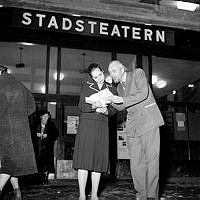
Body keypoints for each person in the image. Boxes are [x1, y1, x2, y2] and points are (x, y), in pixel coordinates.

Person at [107, 60, 164, 200]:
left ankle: (151, 195)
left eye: (113, 71)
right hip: (133, 127)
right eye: (110, 72)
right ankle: (141, 194)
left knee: (151, 160)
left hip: (149, 121)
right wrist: (107, 101)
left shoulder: (137, 73)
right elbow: (121, 106)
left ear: (122, 69)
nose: (111, 74)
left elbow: (143, 93)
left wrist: (120, 99)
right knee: (136, 163)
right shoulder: (120, 87)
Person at [73, 63, 116, 200]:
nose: (99, 78)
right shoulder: (86, 85)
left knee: (98, 161)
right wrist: (95, 106)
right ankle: (81, 195)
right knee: (84, 161)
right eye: (95, 77)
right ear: (91, 77)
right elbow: (82, 105)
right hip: (87, 124)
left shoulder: (111, 88)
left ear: (103, 71)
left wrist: (107, 111)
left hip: (102, 125)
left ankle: (95, 195)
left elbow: (115, 108)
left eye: (100, 75)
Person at [0, 65, 37, 200]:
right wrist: (20, 116)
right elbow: (32, 106)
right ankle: (17, 192)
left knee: (8, 163)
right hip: (21, 130)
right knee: (13, 162)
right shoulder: (19, 84)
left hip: (4, 130)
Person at [32, 110, 59, 184]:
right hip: (38, 148)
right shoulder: (35, 124)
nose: (47, 118)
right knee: (38, 162)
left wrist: (48, 135)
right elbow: (31, 134)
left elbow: (55, 134)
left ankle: (45, 177)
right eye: (45, 116)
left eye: (48, 116)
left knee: (47, 163)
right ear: (41, 117)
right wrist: (36, 135)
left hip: (47, 148)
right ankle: (39, 178)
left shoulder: (51, 124)